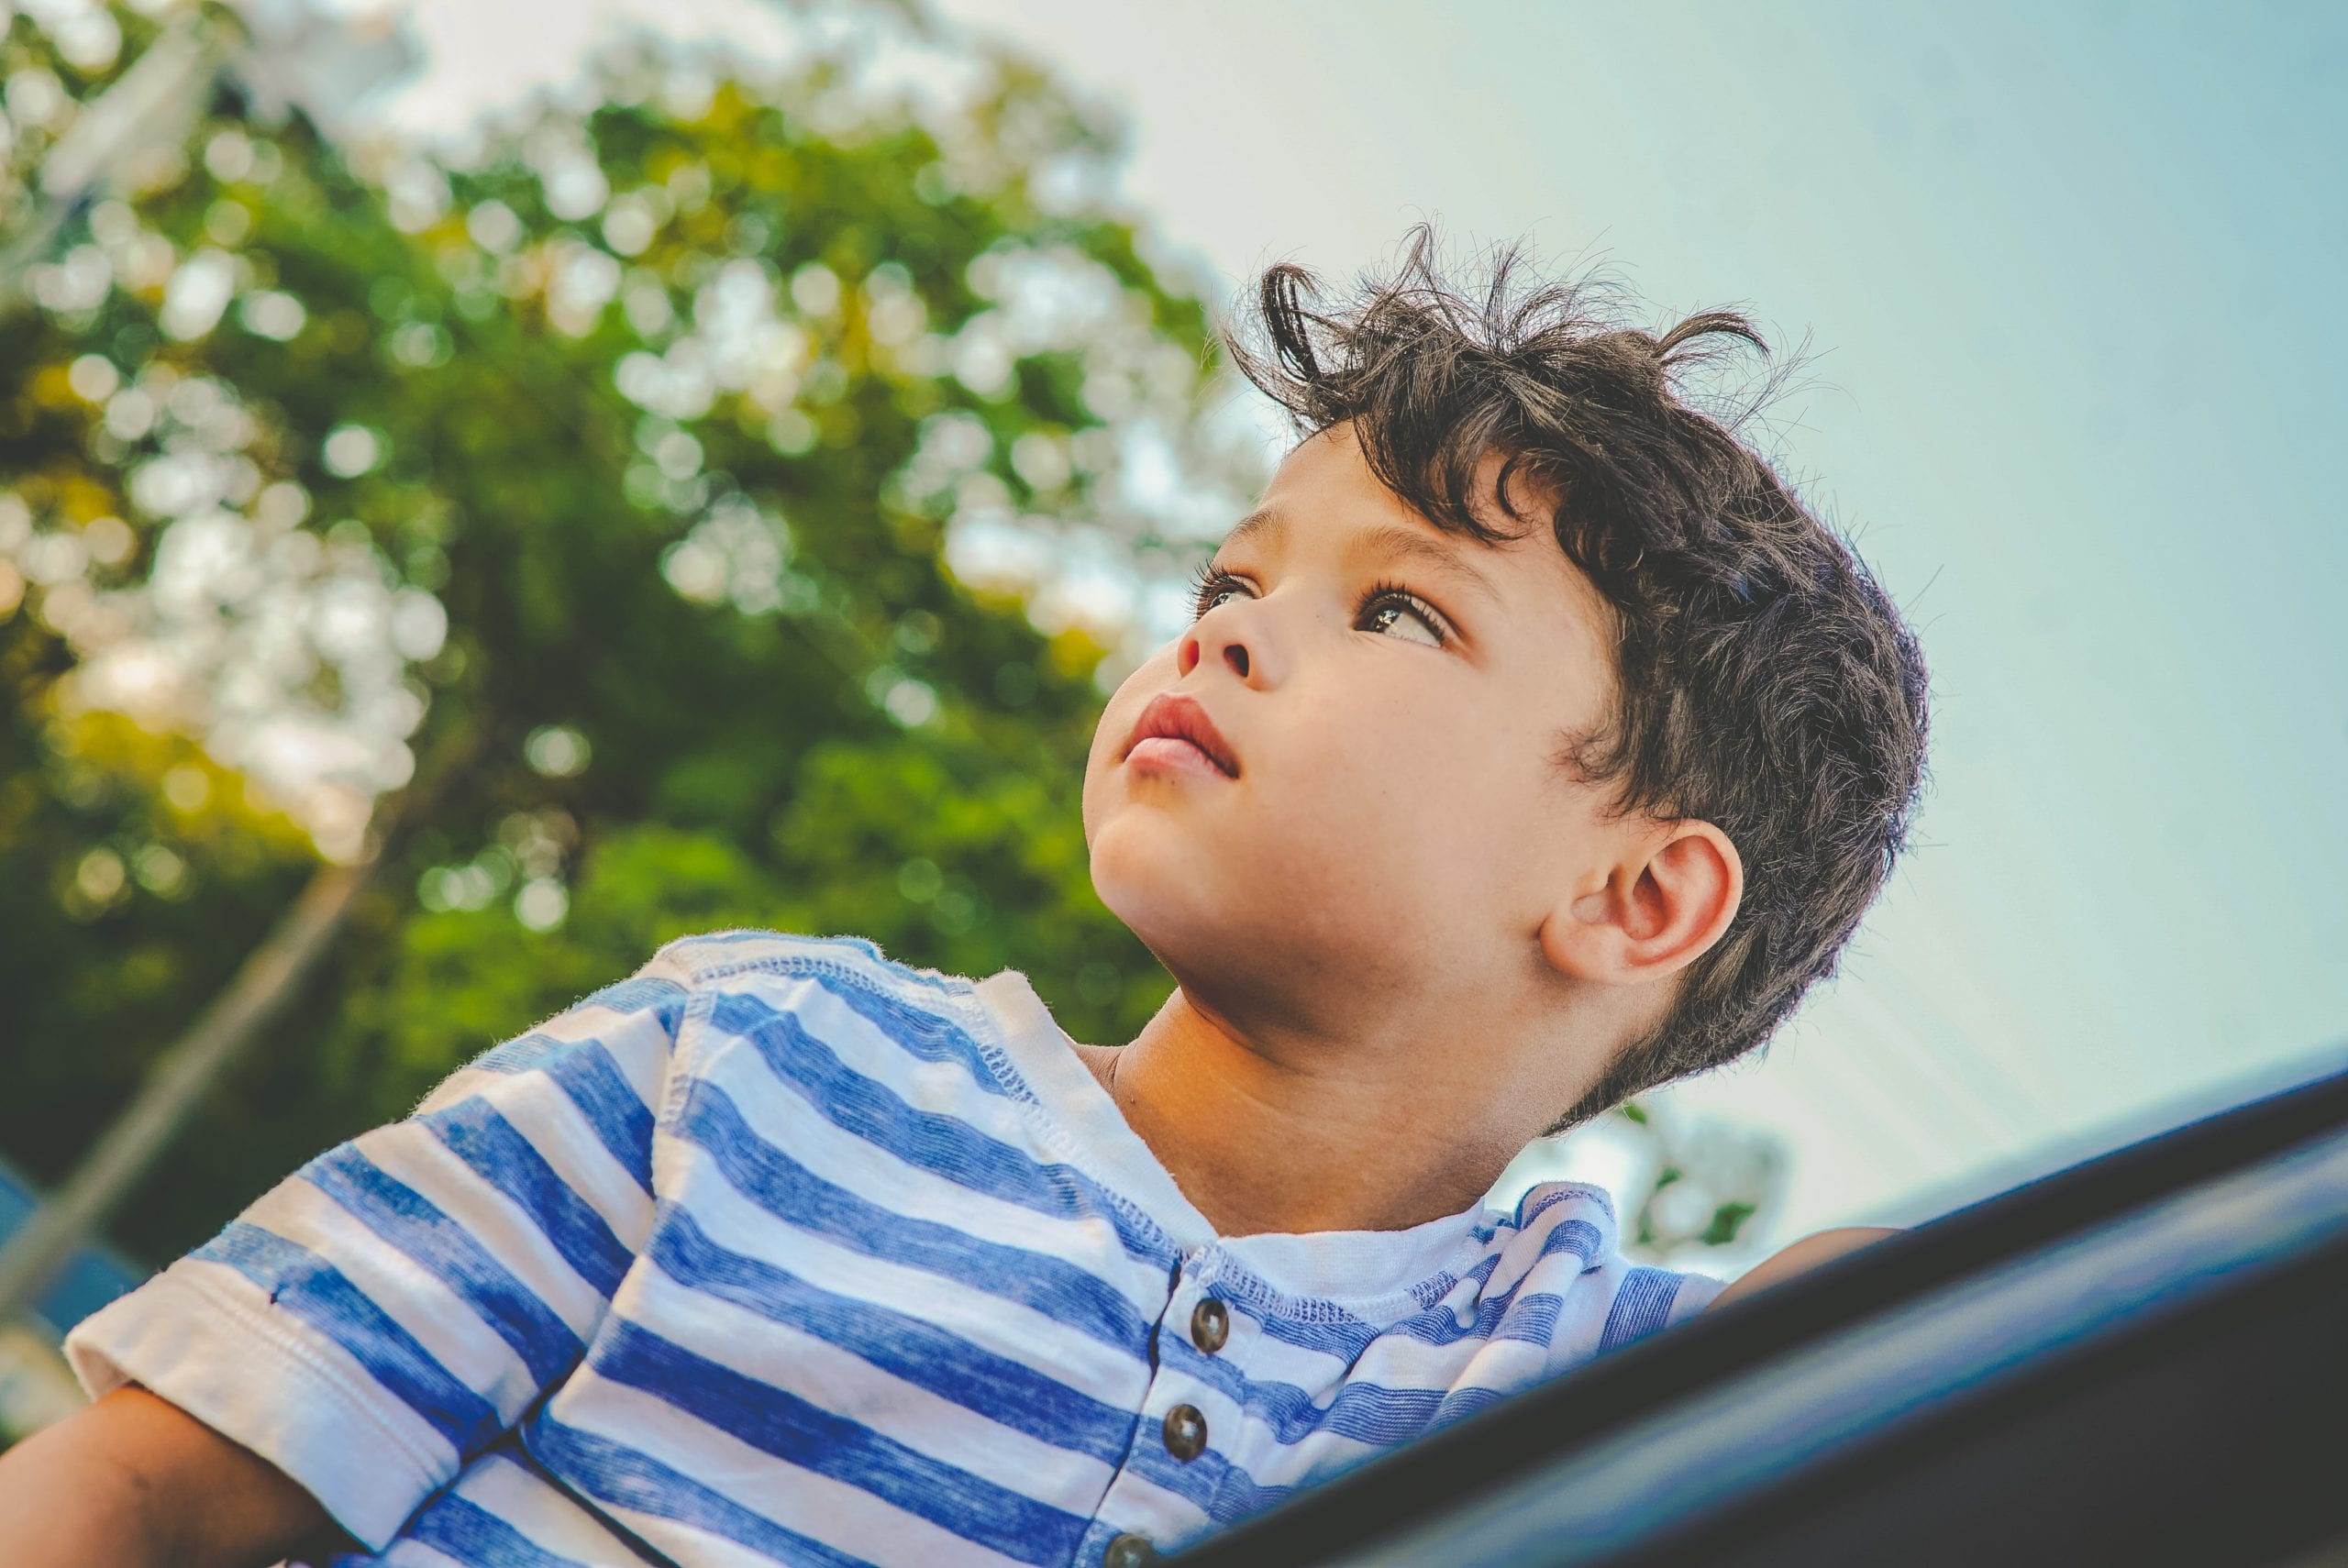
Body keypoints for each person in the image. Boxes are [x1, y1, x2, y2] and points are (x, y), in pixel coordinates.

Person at [0, 232, 1928, 1568]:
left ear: (1639, 896)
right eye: (1229, 583)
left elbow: (1995, 1390)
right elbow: (144, 1501)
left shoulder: (1584, 1396)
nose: (1231, 639)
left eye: (1396, 606)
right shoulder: (743, 1058)